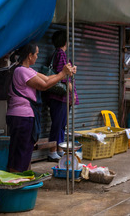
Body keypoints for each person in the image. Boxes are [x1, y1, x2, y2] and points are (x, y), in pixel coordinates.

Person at [6, 42, 76, 172]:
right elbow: (44, 85)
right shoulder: (21, 71)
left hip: (24, 116)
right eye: (36, 54)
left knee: (23, 149)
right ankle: (16, 178)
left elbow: (47, 78)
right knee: (21, 150)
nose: (38, 57)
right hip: (22, 116)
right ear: (29, 55)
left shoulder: (28, 70)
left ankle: (19, 175)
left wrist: (65, 73)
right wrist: (62, 74)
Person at [47, 31, 79, 162]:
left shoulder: (60, 54)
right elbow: (63, 76)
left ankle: (59, 148)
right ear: (65, 42)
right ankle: (52, 151)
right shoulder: (60, 54)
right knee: (58, 123)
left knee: (61, 124)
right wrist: (73, 93)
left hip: (62, 97)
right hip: (60, 97)